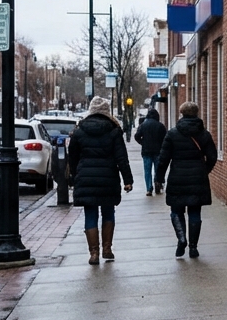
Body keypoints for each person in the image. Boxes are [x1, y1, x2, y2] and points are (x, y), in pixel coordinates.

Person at [67, 96, 134, 265]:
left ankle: (94, 253)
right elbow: (121, 158)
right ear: (107, 111)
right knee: (108, 212)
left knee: (90, 215)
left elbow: (72, 157)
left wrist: (75, 177)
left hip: (86, 179)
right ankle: (107, 249)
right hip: (108, 178)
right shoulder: (114, 130)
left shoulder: (79, 130)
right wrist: (128, 179)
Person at [155, 101, 218, 259]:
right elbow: (212, 157)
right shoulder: (204, 134)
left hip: (177, 177)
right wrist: (205, 170)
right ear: (197, 113)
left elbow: (163, 158)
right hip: (198, 178)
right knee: (195, 211)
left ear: (181, 113)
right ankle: (193, 247)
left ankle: (181, 239)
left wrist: (159, 178)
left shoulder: (172, 133)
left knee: (176, 210)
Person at [133, 108, 167, 196]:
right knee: (157, 169)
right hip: (158, 151)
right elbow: (165, 138)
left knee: (147, 170)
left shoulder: (143, 125)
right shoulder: (160, 126)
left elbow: (137, 136)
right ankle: (158, 183)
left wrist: (142, 143)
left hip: (146, 151)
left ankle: (149, 188)